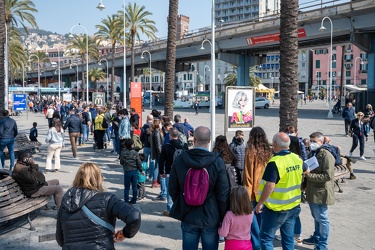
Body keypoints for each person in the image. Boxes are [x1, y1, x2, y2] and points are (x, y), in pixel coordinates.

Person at [169, 126, 230, 250]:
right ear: (209, 141)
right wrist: (223, 216)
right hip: (211, 216)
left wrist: (181, 202)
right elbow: (223, 193)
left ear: (194, 139)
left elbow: (172, 187)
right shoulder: (217, 162)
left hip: (188, 214)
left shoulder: (181, 159)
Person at [56, 162, 141, 249]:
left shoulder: (67, 201)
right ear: (98, 178)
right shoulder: (107, 199)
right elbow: (134, 216)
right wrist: (124, 233)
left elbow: (60, 239)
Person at [255, 132, 309, 250]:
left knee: (265, 238)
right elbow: (307, 170)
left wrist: (260, 204)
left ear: (274, 144)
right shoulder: (296, 158)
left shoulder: (275, 162)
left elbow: (269, 186)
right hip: (293, 206)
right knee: (288, 238)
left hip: (276, 208)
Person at [302, 132, 335, 250]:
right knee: (316, 217)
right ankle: (316, 236)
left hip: (321, 192)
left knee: (322, 218)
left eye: (314, 141)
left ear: (321, 142)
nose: (311, 143)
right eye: (310, 141)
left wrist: (308, 176)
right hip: (312, 191)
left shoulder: (326, 155)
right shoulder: (313, 152)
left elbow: (328, 176)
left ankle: (323, 244)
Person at [242, 127, 273, 250]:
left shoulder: (251, 151)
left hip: (254, 192)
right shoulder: (268, 151)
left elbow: (248, 175)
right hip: (266, 191)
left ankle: (257, 246)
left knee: (253, 224)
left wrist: (247, 194)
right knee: (263, 221)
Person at [159, 127, 188, 216]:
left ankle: (170, 209)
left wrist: (161, 172)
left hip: (170, 171)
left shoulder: (166, 146)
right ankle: (180, 208)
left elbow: (161, 160)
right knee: (180, 190)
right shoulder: (184, 146)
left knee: (170, 191)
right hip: (182, 171)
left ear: (170, 135)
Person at [120, 138, 143, 204]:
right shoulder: (135, 153)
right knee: (134, 186)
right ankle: (134, 200)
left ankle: (126, 200)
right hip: (134, 171)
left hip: (127, 171)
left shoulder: (123, 152)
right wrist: (141, 170)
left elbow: (121, 162)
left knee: (126, 187)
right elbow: (138, 162)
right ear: (132, 145)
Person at [140, 115, 155, 182]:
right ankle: (151, 176)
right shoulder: (154, 126)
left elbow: (141, 136)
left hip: (146, 145)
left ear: (147, 118)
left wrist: (143, 142)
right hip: (153, 146)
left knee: (144, 160)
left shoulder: (144, 126)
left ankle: (144, 174)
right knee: (152, 161)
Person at [150, 119, 164, 189]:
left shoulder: (155, 132)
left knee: (157, 166)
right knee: (157, 167)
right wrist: (161, 154)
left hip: (156, 153)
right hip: (159, 153)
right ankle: (155, 181)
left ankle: (156, 180)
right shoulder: (157, 133)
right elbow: (158, 145)